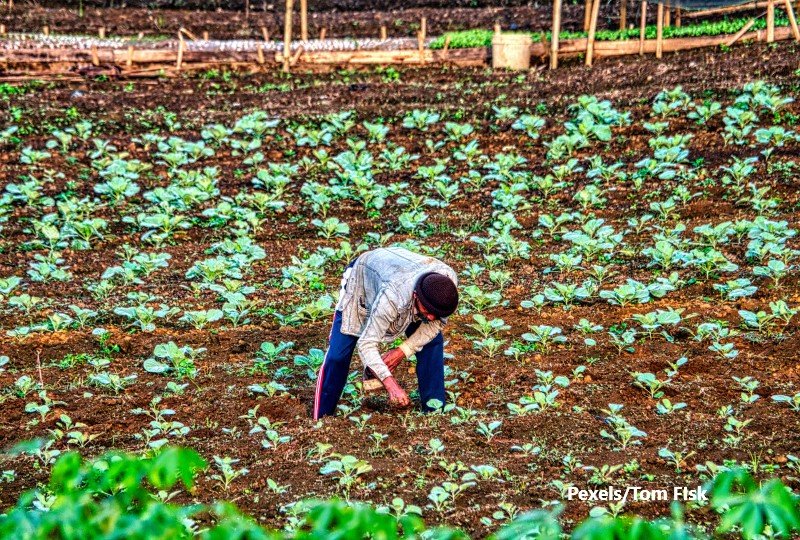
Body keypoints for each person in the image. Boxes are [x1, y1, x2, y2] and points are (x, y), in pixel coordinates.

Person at [312, 247, 459, 420]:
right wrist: (391, 385)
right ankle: (322, 417)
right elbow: (367, 343)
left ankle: (434, 411)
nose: (431, 317)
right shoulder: (392, 297)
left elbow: (435, 325)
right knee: (338, 355)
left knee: (431, 343)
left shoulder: (446, 288)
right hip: (363, 279)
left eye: (436, 313)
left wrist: (402, 351)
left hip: (401, 273)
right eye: (427, 310)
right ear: (415, 296)